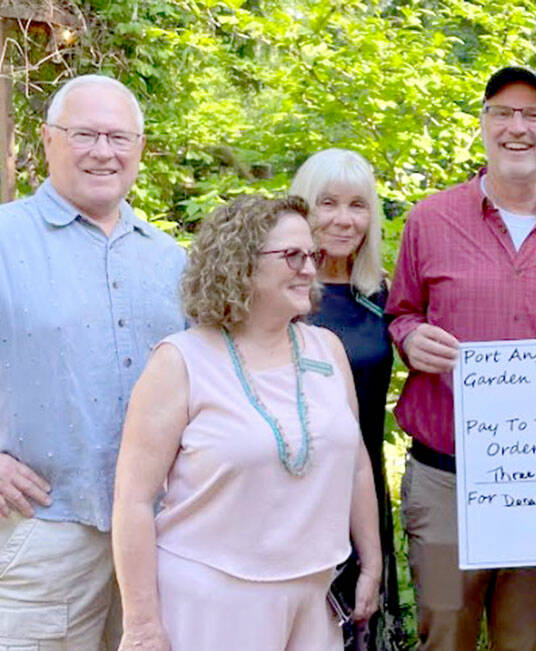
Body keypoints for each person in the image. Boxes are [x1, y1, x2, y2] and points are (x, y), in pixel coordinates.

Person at [386, 65, 536, 650]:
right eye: (503, 112)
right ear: (483, 125)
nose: (517, 127)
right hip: (447, 474)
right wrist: (411, 339)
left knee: (523, 639)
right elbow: (401, 312)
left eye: (533, 114)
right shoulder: (430, 220)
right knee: (445, 635)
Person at [112, 195, 382, 649]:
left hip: (315, 598)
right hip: (211, 602)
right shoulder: (181, 361)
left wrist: (371, 563)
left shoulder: (327, 349)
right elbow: (133, 500)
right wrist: (142, 626)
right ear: (239, 263)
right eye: (292, 255)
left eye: (312, 255)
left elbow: (356, 465)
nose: (310, 269)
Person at [0, 74, 185, 647]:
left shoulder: (171, 259)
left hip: (161, 536)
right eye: (84, 134)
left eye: (118, 137)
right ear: (47, 140)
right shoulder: (6, 241)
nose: (103, 152)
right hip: (42, 533)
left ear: (140, 148)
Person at [292, 148, 407, 648]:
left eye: (357, 205)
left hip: (362, 485)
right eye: (328, 203)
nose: (344, 219)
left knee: (355, 627)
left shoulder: (380, 294)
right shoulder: (279, 292)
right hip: (292, 489)